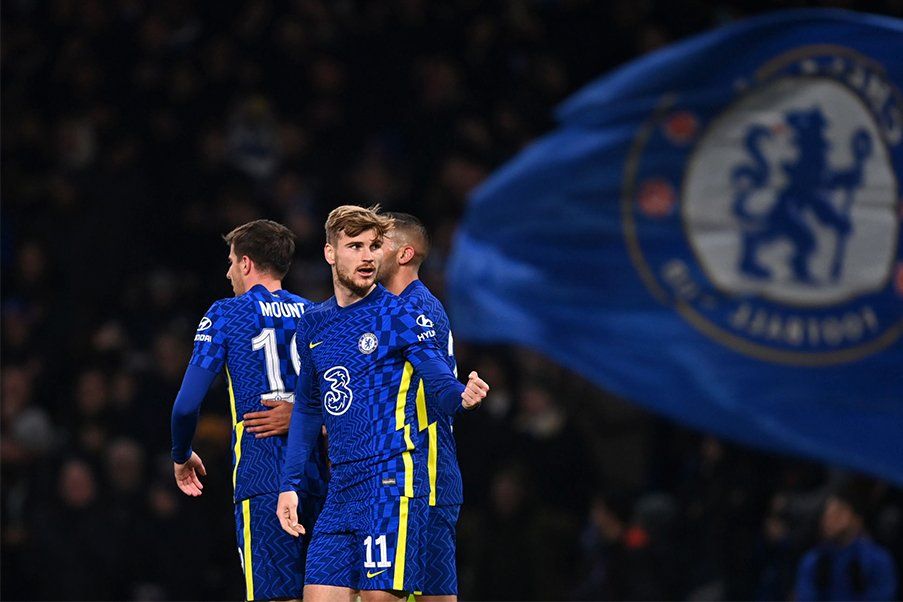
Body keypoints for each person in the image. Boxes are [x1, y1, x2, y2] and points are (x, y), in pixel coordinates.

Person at [276, 205, 488, 602]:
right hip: (341, 487)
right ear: (330, 253)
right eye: (355, 246)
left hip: (392, 480)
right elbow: (307, 407)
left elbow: (439, 382)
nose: (367, 255)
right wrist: (289, 485)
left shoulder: (401, 314)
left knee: (382, 598)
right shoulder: (313, 323)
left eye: (374, 246)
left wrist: (462, 396)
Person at [170, 219, 327, 602]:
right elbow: (351, 400)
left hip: (264, 478)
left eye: (229, 262)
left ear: (245, 263)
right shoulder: (317, 314)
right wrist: (305, 416)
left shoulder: (226, 314)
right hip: (322, 476)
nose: (227, 273)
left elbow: (186, 406)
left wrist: (181, 453)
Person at [378, 212, 463, 601]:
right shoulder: (389, 308)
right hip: (408, 473)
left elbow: (442, 394)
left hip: (425, 473)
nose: (368, 252)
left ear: (404, 253)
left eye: (378, 242)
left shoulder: (417, 309)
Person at [795, 483, 897, 601]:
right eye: (826, 514)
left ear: (857, 520)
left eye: (838, 513)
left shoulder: (877, 560)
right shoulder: (814, 559)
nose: (829, 520)